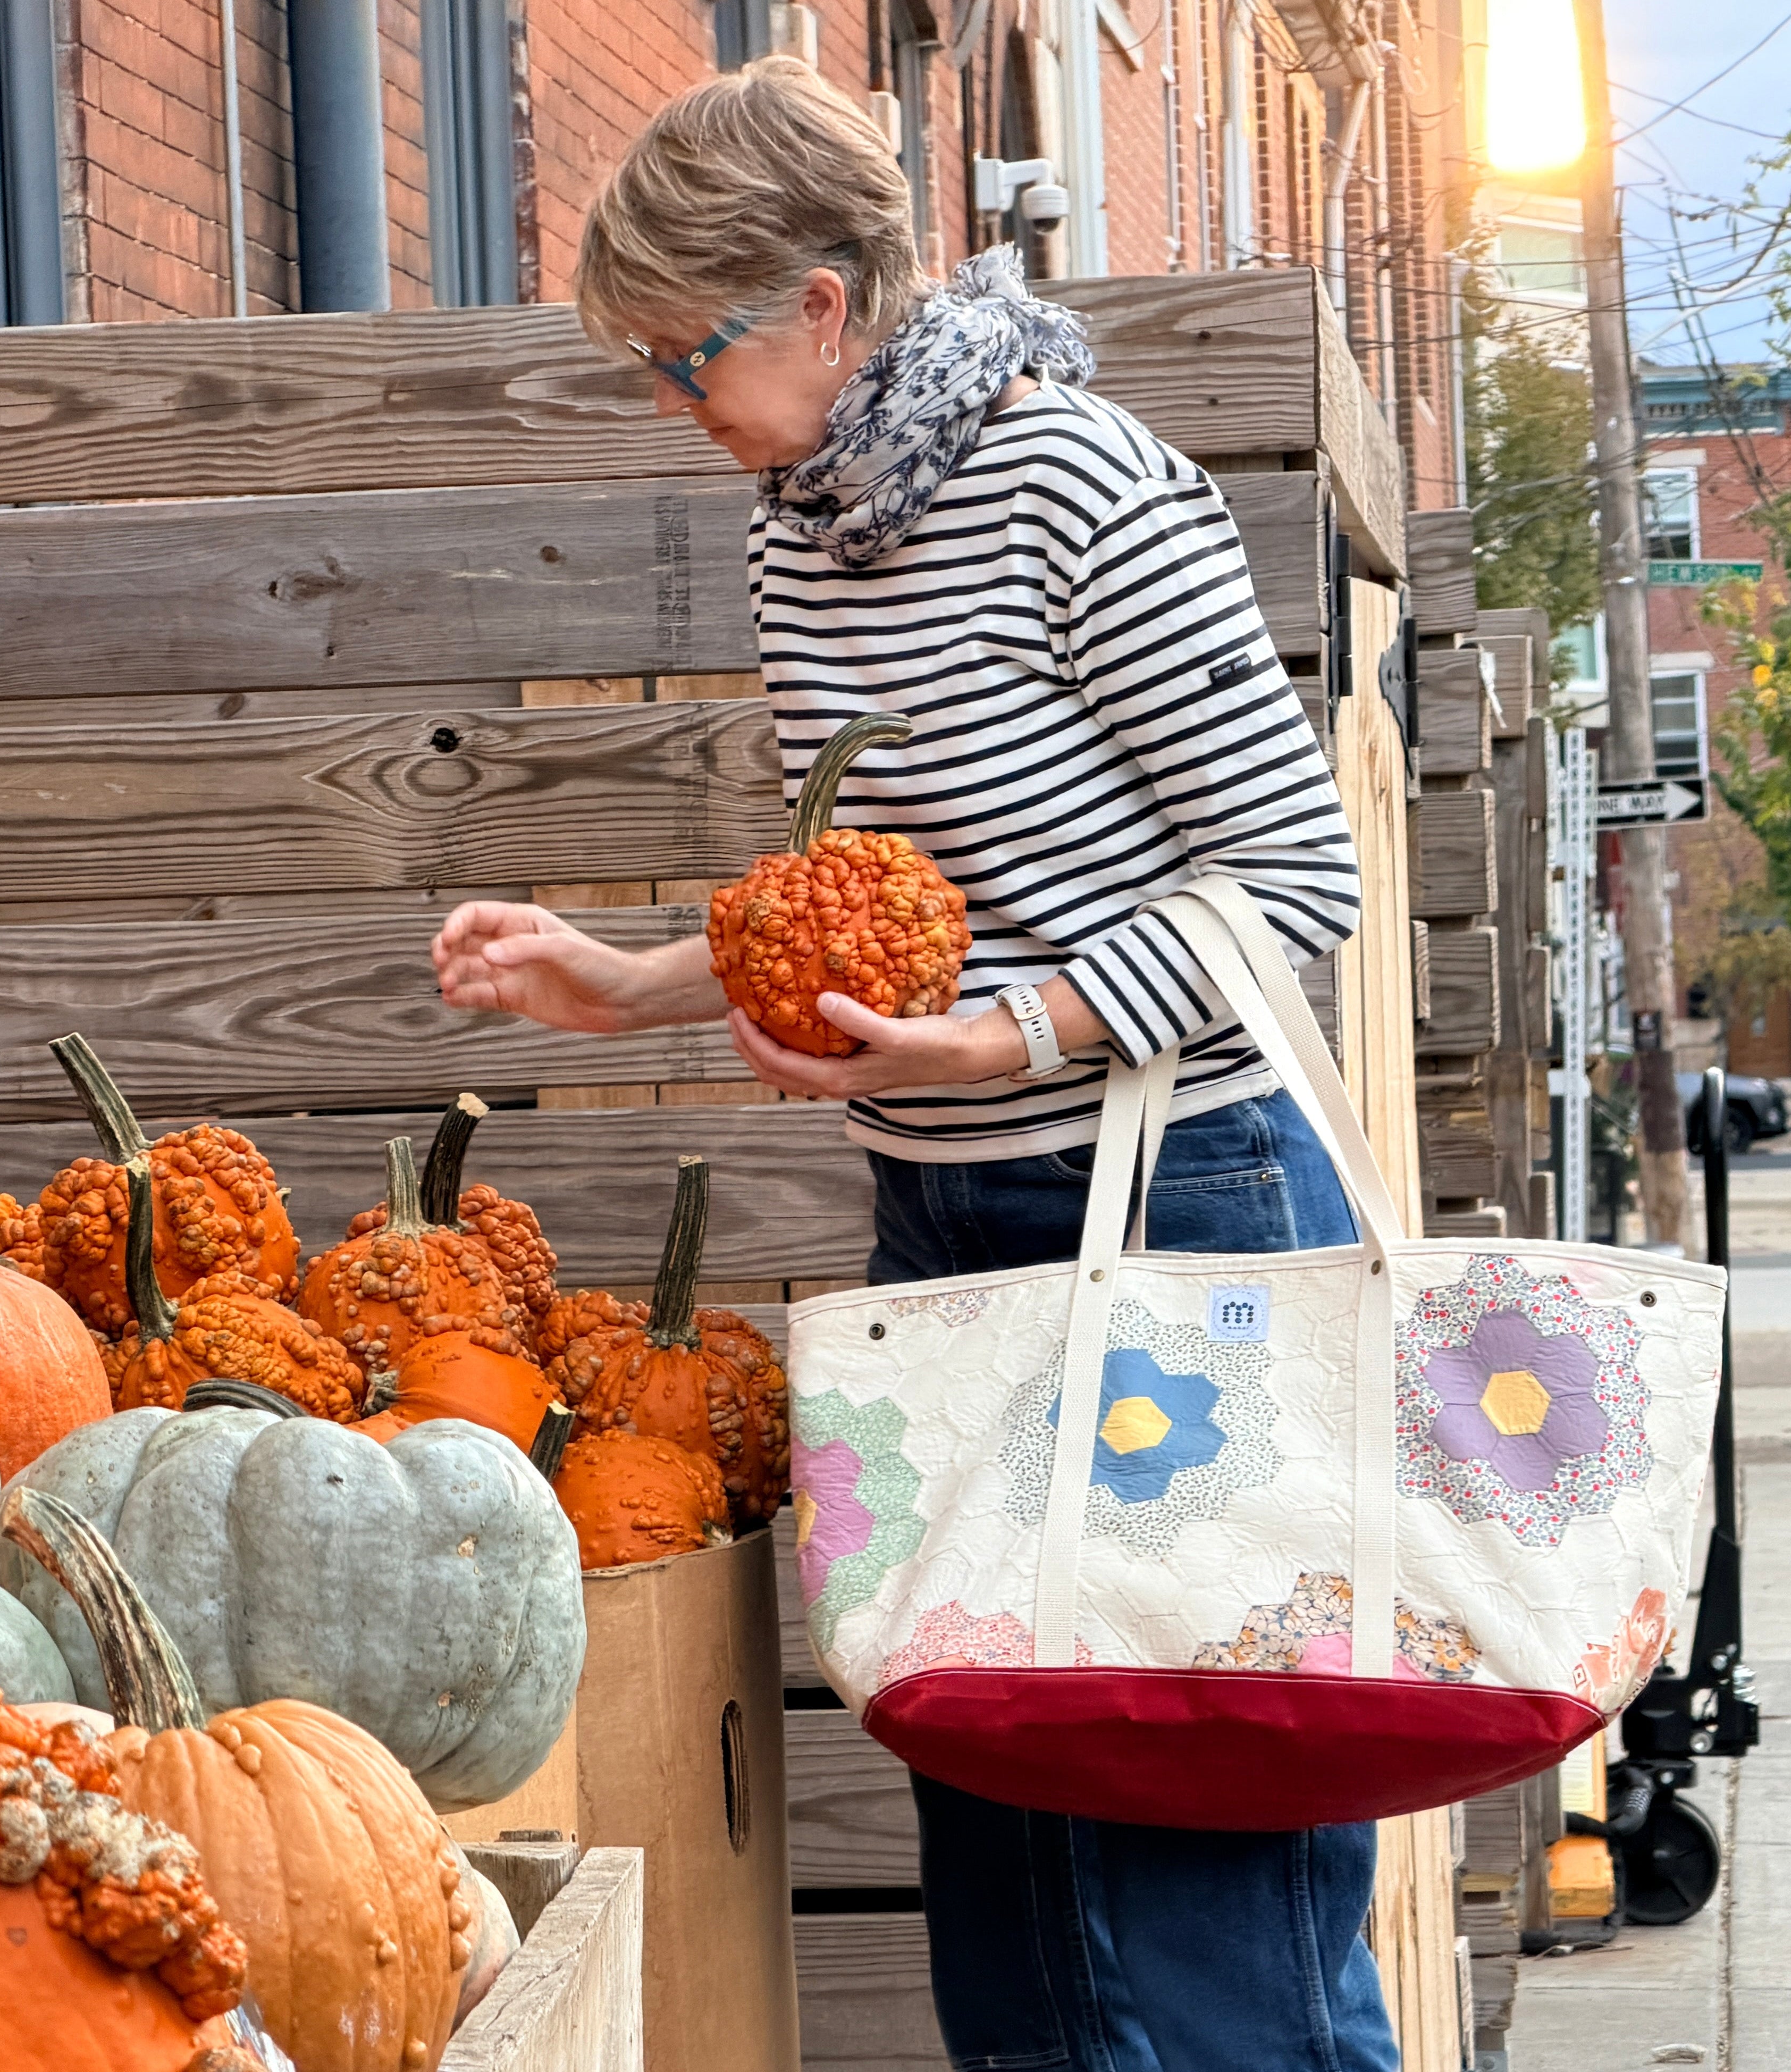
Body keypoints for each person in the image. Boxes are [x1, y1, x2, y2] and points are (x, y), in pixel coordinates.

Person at [431, 56, 1394, 2072]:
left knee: (1202, 1870)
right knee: (1016, 1876)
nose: (668, 401)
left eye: (681, 350)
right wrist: (625, 984)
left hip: (1180, 1203)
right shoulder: (804, 540)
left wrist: (1006, 1032)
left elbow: (1294, 871)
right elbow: (881, 901)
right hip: (946, 1217)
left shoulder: (1080, 483)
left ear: (820, 303)